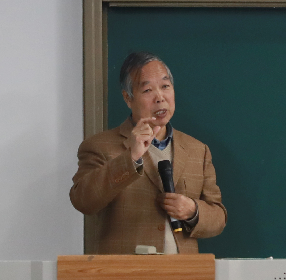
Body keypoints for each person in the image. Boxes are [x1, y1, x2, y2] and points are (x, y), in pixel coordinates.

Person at [70, 52, 227, 254]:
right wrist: (131, 158)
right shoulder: (99, 146)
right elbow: (83, 201)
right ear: (128, 98)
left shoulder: (197, 150)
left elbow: (218, 217)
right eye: (147, 90)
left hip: (183, 271)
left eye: (165, 86)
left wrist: (192, 210)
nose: (160, 98)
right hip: (125, 271)